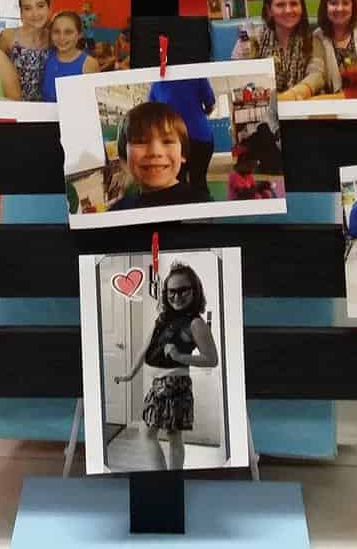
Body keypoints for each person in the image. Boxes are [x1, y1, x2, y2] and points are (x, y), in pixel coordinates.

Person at [113, 261, 219, 470]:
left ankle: (162, 477)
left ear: (194, 291)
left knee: (148, 432)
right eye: (171, 291)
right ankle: (171, 478)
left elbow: (211, 359)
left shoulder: (195, 323)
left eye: (183, 290)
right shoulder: (162, 319)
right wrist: (130, 375)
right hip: (160, 383)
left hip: (172, 383)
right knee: (173, 435)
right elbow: (146, 349)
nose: (176, 296)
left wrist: (180, 356)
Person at [112, 101, 211, 210]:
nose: (155, 152)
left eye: (167, 141)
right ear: (124, 155)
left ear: (182, 153)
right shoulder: (118, 210)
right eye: (140, 141)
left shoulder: (201, 206)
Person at [254, 0, 325, 99]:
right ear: (269, 10)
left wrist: (291, 96)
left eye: (294, 4)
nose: (288, 10)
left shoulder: (314, 39)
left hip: (301, 105)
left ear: (301, 8)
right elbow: (240, 74)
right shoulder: (254, 38)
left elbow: (317, 75)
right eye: (280, 5)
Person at [147, 76, 216, 195]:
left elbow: (153, 113)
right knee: (199, 181)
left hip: (174, 140)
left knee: (178, 183)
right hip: (201, 136)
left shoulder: (157, 83)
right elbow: (210, 104)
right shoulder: (197, 75)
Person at [0, 0, 53, 101]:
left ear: (49, 8)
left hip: (43, 105)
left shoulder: (53, 38)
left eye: (40, 6)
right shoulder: (8, 36)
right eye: (28, 8)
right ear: (21, 13)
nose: (35, 13)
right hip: (14, 103)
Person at [42, 10, 99, 102]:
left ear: (79, 34)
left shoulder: (89, 64)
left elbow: (93, 103)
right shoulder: (46, 56)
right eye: (56, 32)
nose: (62, 38)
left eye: (68, 32)